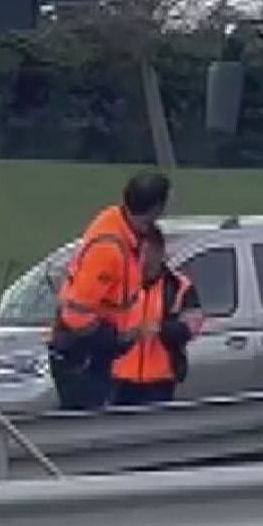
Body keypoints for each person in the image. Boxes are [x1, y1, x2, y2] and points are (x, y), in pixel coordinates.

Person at [47, 171, 171, 410]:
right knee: (89, 429)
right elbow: (77, 314)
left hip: (91, 354)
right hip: (82, 356)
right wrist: (112, 339)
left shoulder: (121, 228)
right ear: (155, 208)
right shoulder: (110, 247)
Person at [111, 225, 201, 407]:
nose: (141, 260)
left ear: (159, 252)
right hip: (119, 379)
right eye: (138, 252)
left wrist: (160, 329)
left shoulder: (179, 286)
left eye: (146, 253)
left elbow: (191, 328)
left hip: (160, 382)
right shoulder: (120, 283)